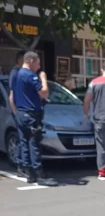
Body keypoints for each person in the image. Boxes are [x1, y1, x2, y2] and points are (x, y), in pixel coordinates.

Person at [10, 51, 57, 186]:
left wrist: (16, 113)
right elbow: (44, 93)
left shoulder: (17, 74)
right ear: (30, 60)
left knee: (24, 142)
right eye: (37, 63)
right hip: (31, 114)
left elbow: (11, 97)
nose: (39, 66)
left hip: (20, 112)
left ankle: (29, 173)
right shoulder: (30, 75)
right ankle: (39, 174)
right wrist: (43, 78)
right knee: (34, 143)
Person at [8, 50, 25, 177]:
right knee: (21, 139)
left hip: (22, 110)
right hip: (19, 110)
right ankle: (21, 166)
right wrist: (15, 111)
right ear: (20, 60)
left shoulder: (21, 73)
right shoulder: (15, 74)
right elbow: (11, 94)